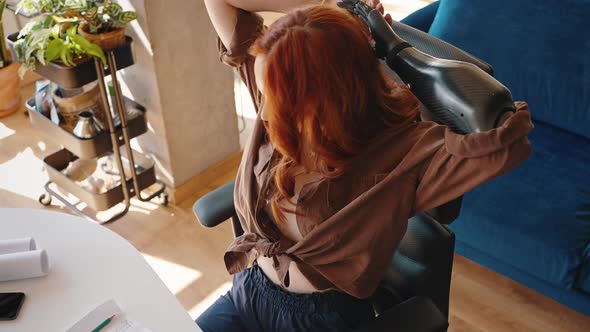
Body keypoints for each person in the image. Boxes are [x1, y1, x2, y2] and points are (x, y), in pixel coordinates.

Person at [198, 0, 533, 331]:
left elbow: (506, 141)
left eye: (276, 101)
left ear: (323, 99)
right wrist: (327, 6)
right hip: (249, 290)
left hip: (317, 321)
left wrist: (399, 51)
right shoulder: (273, 114)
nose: (265, 112)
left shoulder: (402, 155)